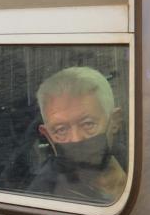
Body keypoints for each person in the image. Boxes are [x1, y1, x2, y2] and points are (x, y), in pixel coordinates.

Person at [28, 66, 127, 203]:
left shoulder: (135, 163)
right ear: (49, 136)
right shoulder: (44, 195)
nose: (76, 139)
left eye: (88, 124)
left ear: (115, 121)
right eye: (61, 130)